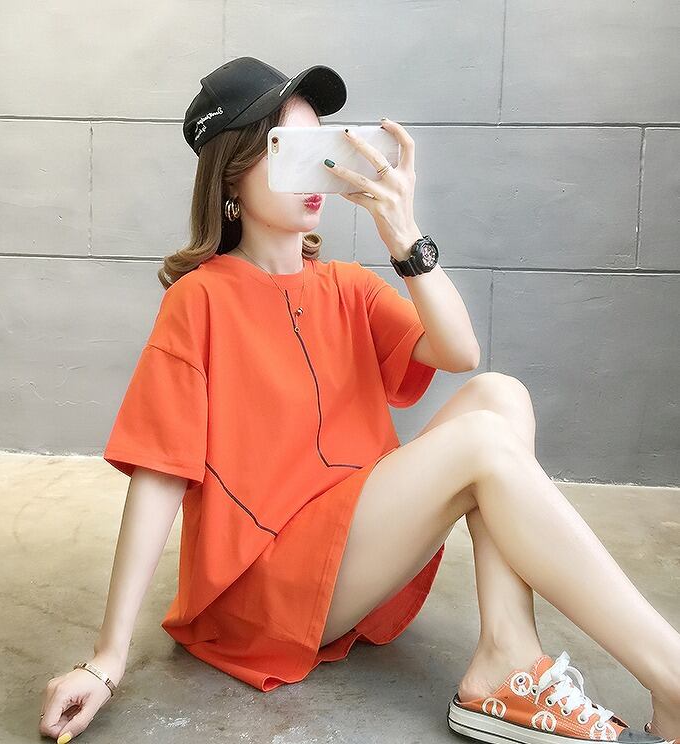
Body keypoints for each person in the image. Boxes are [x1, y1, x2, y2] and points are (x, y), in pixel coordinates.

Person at [39, 57, 680, 744]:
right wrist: (106, 660)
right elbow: (160, 473)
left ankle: (508, 651)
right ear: (231, 173)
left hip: (351, 547)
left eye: (321, 146)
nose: (315, 169)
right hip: (268, 587)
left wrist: (404, 236)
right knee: (482, 444)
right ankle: (672, 675)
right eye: (286, 148)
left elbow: (461, 353)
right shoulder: (200, 301)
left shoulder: (345, 286)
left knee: (501, 397)